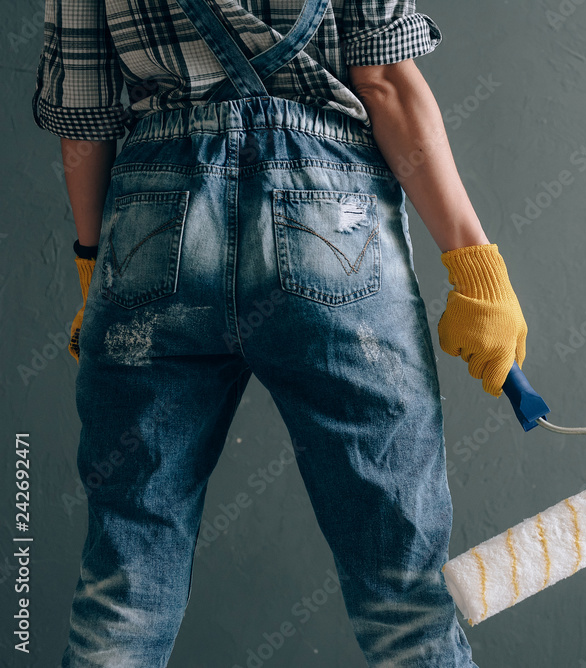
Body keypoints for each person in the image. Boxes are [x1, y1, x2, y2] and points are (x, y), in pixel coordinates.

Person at [31, 0, 527, 665]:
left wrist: (95, 273)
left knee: (124, 588)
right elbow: (384, 82)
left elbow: (84, 120)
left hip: (155, 223)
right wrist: (473, 268)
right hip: (329, 218)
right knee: (404, 594)